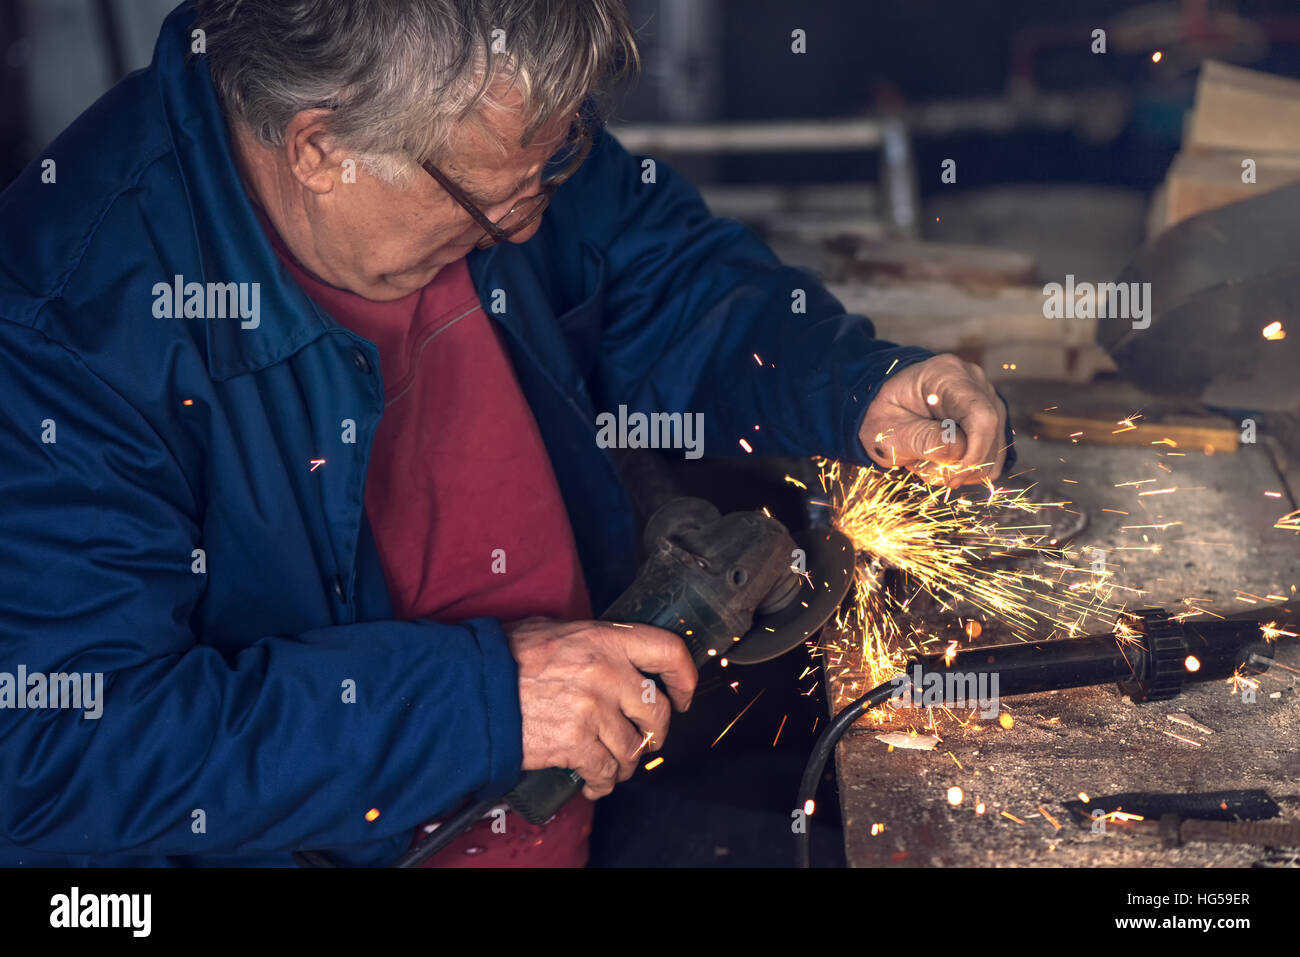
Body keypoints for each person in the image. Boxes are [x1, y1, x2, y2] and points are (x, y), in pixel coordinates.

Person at [0, 0, 1010, 866]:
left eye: (556, 162)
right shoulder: (65, 323)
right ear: (319, 147)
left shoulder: (488, 126)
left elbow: (658, 270)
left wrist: (852, 386)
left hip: (583, 814)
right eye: (492, 201)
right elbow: (53, 744)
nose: (528, 224)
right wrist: (482, 704)